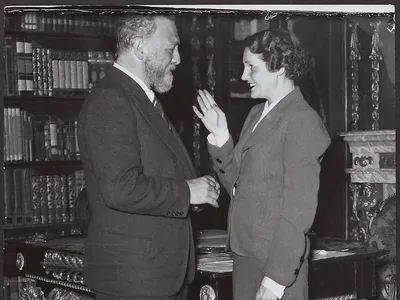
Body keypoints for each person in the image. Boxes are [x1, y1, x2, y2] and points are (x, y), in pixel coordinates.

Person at [78, 14, 220, 300]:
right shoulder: (111, 100)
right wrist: (187, 192)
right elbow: (120, 188)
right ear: (141, 48)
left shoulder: (141, 99)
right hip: (134, 280)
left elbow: (160, 174)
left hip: (157, 273)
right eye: (171, 49)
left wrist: (197, 194)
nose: (178, 59)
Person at [194, 28, 331, 300]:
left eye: (251, 68)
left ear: (279, 67)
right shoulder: (257, 113)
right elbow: (239, 186)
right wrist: (221, 136)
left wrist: (275, 280)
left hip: (276, 263)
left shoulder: (302, 121)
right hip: (246, 254)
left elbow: (297, 212)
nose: (243, 76)